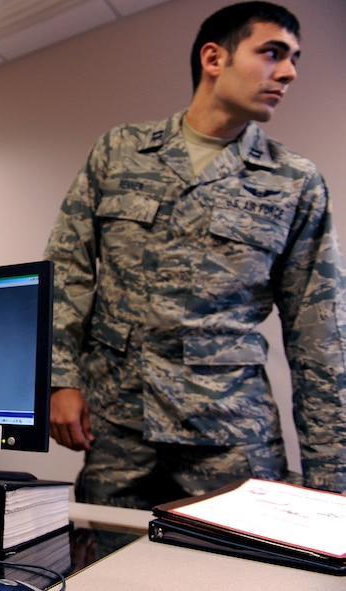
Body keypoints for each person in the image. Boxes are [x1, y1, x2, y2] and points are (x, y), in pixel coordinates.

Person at [45, 2, 346, 510]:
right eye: (272, 53)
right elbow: (66, 270)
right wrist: (59, 380)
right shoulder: (120, 151)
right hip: (120, 426)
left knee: (237, 577)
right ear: (214, 58)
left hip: (230, 433)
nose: (289, 72)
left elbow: (319, 336)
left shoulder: (294, 181)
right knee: (104, 568)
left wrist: (331, 484)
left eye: (294, 58)